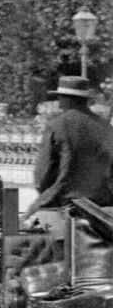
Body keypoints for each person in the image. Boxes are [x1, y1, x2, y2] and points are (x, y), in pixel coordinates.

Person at [27, 75, 113, 217]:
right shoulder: (107, 128)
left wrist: (46, 191)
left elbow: (42, 174)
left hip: (64, 200)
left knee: (20, 227)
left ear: (65, 99)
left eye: (60, 97)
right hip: (103, 203)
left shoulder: (57, 125)